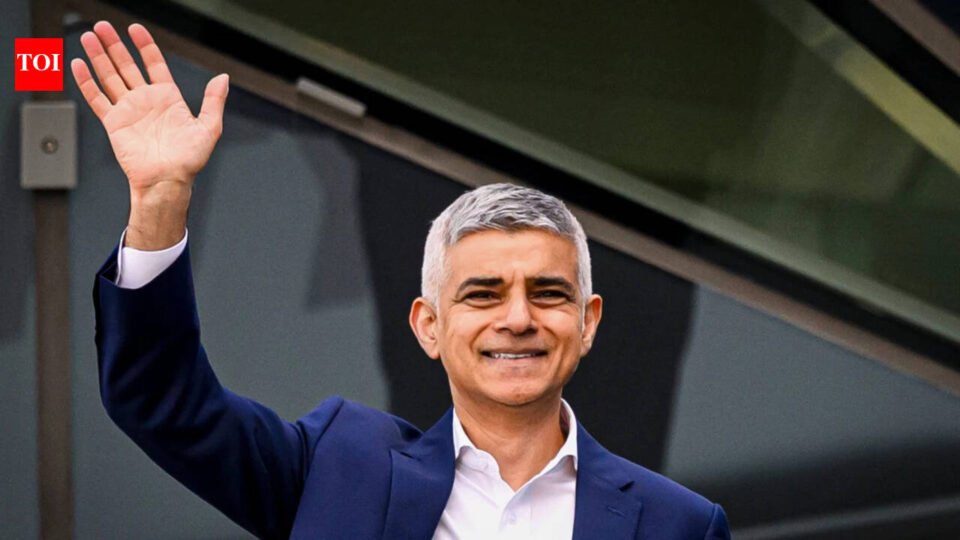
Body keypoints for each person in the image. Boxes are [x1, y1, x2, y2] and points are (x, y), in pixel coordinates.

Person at [74, 20, 731, 540]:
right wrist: (160, 198)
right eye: (482, 294)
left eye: (548, 293)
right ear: (428, 325)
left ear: (588, 322)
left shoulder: (679, 524)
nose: (518, 319)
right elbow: (163, 401)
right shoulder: (340, 468)